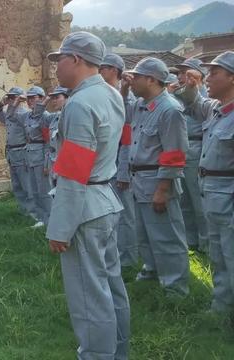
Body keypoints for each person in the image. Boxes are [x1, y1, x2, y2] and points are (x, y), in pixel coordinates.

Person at [46, 31, 130, 359]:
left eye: (60, 60)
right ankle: (117, 352)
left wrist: (60, 228)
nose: (56, 68)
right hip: (105, 199)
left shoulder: (80, 103)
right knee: (111, 286)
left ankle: (97, 355)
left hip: (85, 205)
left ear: (76, 60)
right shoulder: (110, 94)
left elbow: (73, 171)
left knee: (88, 296)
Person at [121, 58, 190, 296]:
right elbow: (120, 111)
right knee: (145, 234)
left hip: (157, 180)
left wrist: (163, 189)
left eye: (137, 77)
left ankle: (175, 288)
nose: (132, 80)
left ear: (151, 79)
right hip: (139, 180)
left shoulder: (169, 109)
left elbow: (174, 154)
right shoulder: (141, 105)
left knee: (167, 237)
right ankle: (151, 271)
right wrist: (123, 88)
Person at [176, 51, 234, 313]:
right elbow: (193, 102)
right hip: (211, 193)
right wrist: (192, 85)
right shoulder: (216, 109)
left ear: (232, 78)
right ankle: (221, 308)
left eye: (215, 73)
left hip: (229, 195)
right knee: (218, 256)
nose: (208, 77)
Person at [100, 53, 139, 268]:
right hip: (109, 165)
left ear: (115, 70)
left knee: (125, 215)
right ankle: (118, 255)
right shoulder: (108, 96)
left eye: (104, 68)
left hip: (119, 165)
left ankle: (129, 259)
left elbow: (127, 140)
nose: (100, 71)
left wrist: (123, 171)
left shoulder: (126, 98)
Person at [173, 58, 209, 253]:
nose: (180, 76)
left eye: (185, 72)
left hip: (197, 146)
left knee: (198, 198)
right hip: (181, 148)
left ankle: (206, 243)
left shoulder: (203, 96)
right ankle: (191, 240)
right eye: (179, 73)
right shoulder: (178, 95)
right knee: (184, 198)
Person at [0, 87, 36, 218]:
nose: (11, 100)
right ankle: (24, 211)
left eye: (13, 97)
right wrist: (1, 103)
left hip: (21, 151)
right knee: (17, 185)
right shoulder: (9, 114)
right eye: (9, 97)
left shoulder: (24, 113)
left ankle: (34, 213)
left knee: (26, 184)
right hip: (11, 152)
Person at [24, 86, 52, 227]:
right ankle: (41, 217)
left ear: (41, 98)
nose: (29, 101)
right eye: (28, 98)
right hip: (30, 155)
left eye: (33, 97)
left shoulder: (45, 116)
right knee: (34, 189)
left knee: (44, 190)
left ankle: (50, 218)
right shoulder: (28, 116)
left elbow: (48, 141)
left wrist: (47, 163)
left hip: (41, 155)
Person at [34, 86, 69, 190]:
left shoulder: (71, 117)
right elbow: (36, 117)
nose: (54, 101)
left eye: (57, 97)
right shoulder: (54, 117)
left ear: (67, 98)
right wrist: (46, 100)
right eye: (52, 98)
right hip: (53, 164)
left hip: (65, 166)